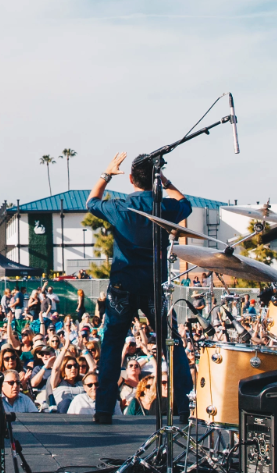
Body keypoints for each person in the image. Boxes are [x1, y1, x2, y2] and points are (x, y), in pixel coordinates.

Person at [84, 152, 195, 425]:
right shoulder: (165, 207)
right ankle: (183, 408)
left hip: (122, 285)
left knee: (112, 345)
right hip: (154, 285)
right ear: (154, 179)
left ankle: (103, 411)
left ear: (131, 178)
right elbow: (187, 205)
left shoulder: (120, 207)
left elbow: (91, 202)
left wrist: (107, 174)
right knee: (172, 344)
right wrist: (166, 183)